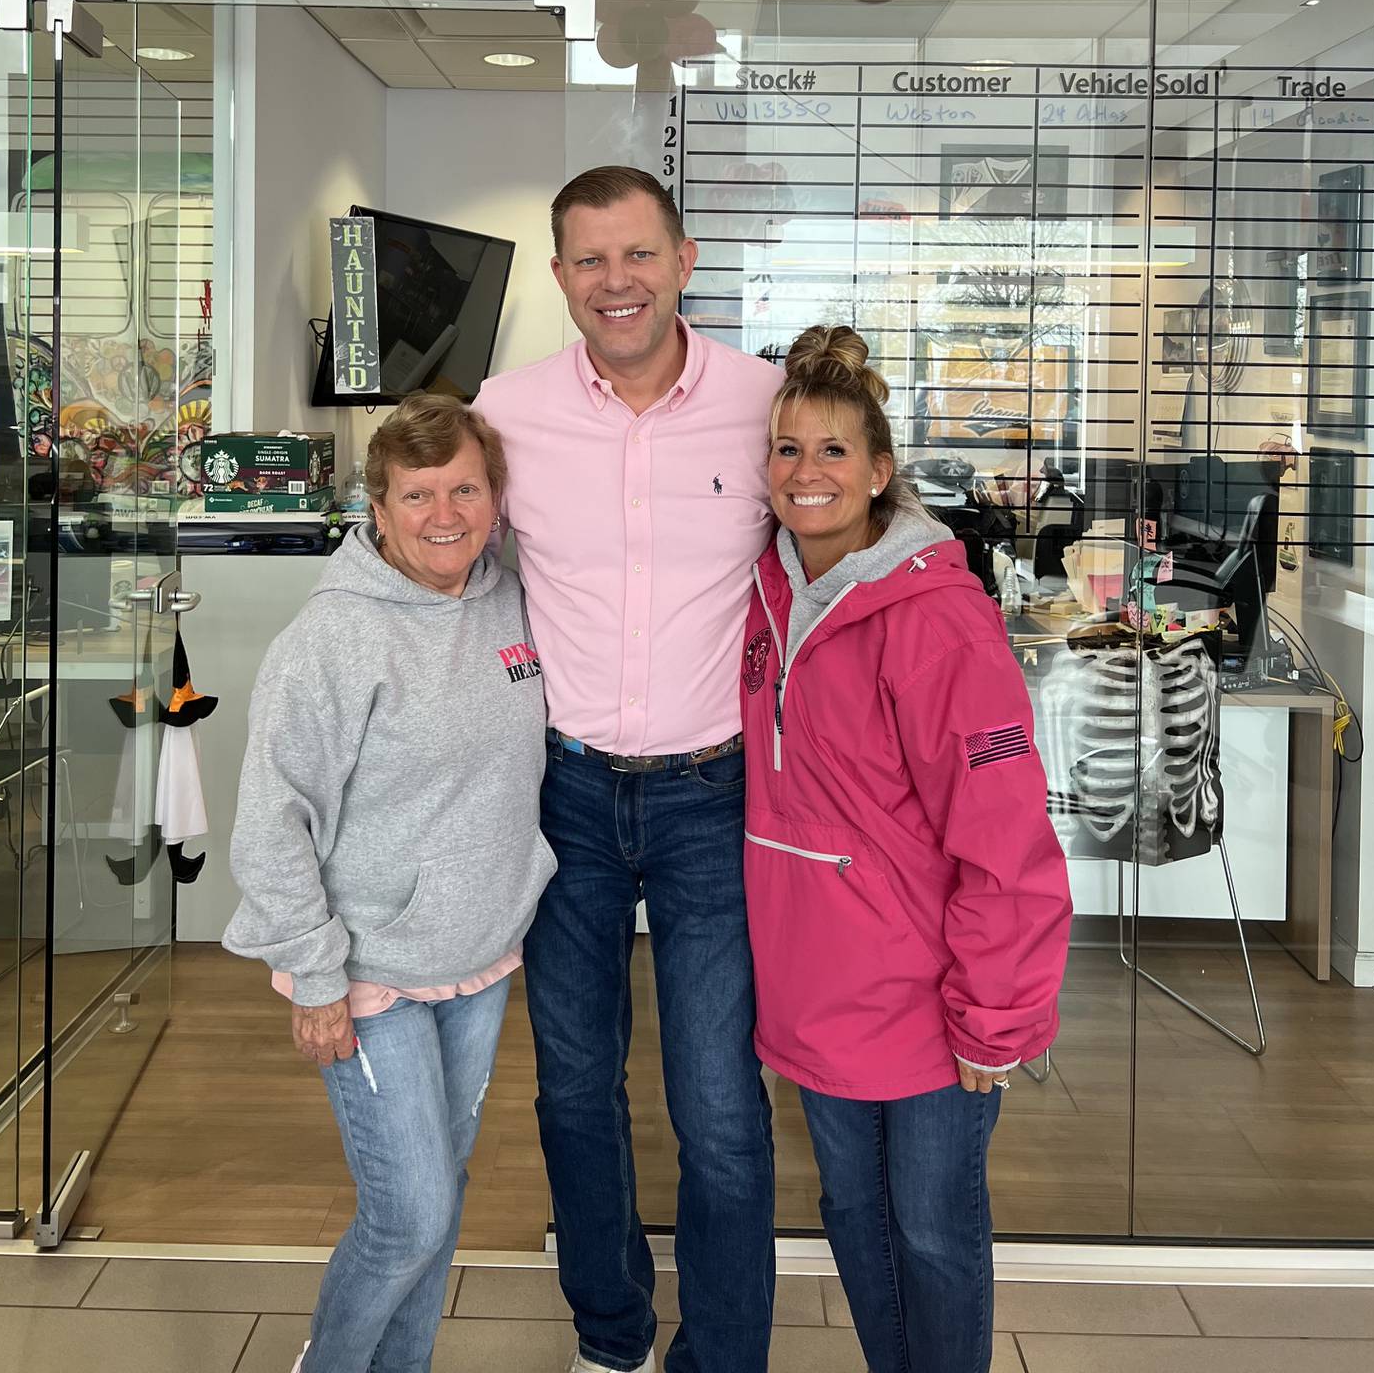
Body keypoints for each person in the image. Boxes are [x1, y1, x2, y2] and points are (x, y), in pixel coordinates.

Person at [474, 165, 779, 1373]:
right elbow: (437, 549)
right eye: (591, 261)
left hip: (717, 795)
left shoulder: (760, 404)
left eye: (639, 255)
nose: (618, 283)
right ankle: (611, 1337)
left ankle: (723, 1356)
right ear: (559, 278)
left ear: (685, 260)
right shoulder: (508, 408)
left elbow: (855, 531)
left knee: (720, 1112)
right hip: (566, 797)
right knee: (572, 1094)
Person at [739, 326, 1072, 1373]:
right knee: (855, 1217)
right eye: (788, 449)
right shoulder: (763, 592)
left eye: (835, 451)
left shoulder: (939, 620)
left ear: (881, 472)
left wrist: (997, 1015)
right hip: (814, 989)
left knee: (932, 1229)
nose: (808, 473)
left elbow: (1006, 835)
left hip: (935, 999)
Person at [223, 394, 555, 1373]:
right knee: (409, 1214)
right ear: (378, 505)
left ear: (496, 497)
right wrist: (315, 976)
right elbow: (271, 815)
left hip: (480, 956)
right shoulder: (332, 640)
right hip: (370, 969)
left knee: (438, 1199)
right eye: (419, 494)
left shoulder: (510, 599)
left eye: (465, 488)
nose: (444, 513)